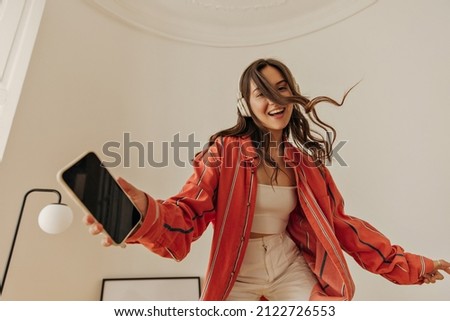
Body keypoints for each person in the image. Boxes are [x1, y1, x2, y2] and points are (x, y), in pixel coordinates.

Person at [84, 58, 449, 301]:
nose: (276, 99)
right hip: (237, 268)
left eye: (282, 88)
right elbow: (187, 215)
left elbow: (343, 227)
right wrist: (143, 213)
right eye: (263, 92)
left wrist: (408, 265)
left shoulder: (307, 166)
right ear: (245, 104)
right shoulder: (224, 153)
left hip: (289, 263)